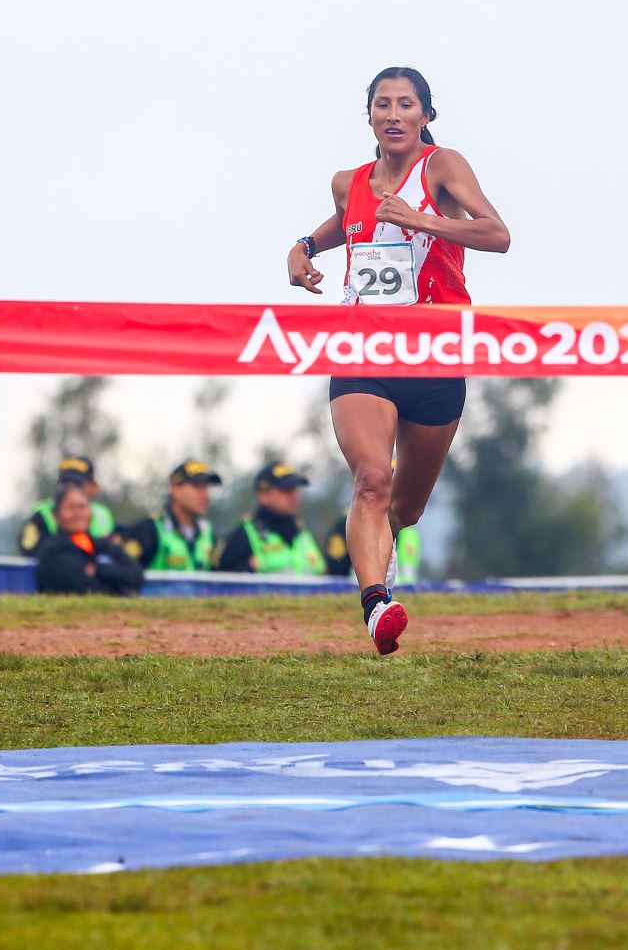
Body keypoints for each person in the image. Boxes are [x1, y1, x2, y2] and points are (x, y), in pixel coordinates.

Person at [285, 66, 510, 654]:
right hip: (364, 348)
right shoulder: (348, 181)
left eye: (405, 104)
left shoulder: (442, 167)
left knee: (404, 507)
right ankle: (375, 607)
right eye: (382, 104)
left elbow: (497, 233)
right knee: (371, 481)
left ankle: (379, 565)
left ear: (425, 117)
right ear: (368, 117)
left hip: (436, 350)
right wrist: (303, 248)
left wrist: (423, 220)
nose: (393, 114)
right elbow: (348, 221)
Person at [34, 483, 144, 596]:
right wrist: (118, 584)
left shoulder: (102, 545)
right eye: (71, 508)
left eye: (82, 507)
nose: (78, 513)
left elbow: (136, 575)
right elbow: (81, 586)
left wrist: (98, 570)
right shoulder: (52, 551)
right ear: (56, 515)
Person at [217, 462, 326, 575]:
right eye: (286, 490)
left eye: (295, 490)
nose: (294, 496)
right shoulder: (241, 537)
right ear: (263, 496)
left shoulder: (303, 533)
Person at [116, 459, 222, 572]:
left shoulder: (208, 535)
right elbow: (122, 575)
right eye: (197, 487)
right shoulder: (149, 530)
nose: (205, 495)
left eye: (206, 488)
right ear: (175, 489)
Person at [18, 455, 117, 559]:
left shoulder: (103, 514)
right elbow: (30, 551)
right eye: (64, 484)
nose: (70, 490)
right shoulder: (43, 514)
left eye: (77, 485)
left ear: (94, 487)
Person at [325, 515, 420, 582]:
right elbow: (336, 565)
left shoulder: (408, 531)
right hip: (361, 588)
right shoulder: (349, 523)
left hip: (389, 587)